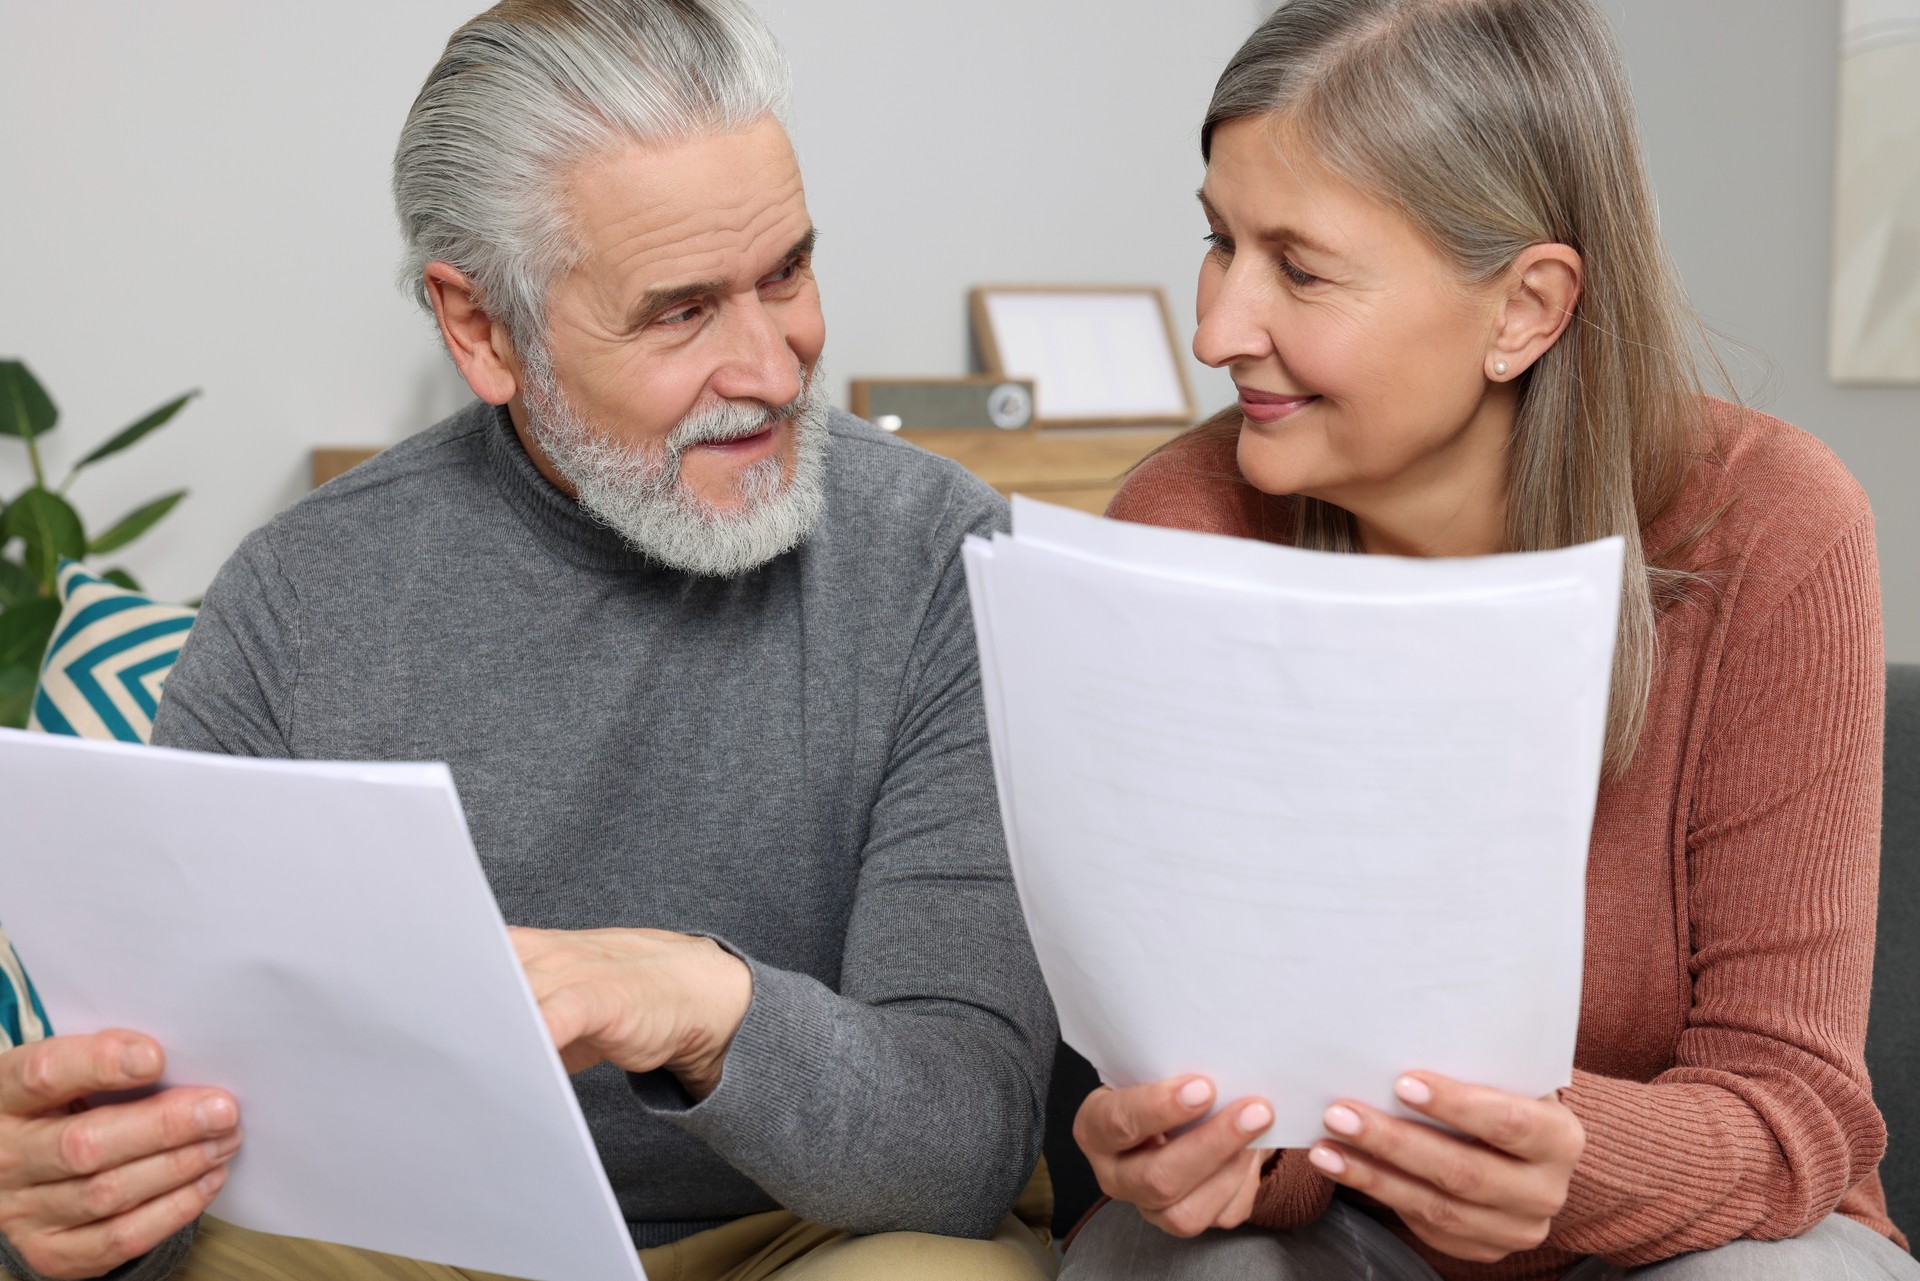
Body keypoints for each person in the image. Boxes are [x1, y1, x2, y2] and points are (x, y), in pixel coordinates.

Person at [0, 3, 1058, 1280]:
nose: (774, 369)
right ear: (481, 329)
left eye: (786, 272)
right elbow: (166, 1130)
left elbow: (964, 1149)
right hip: (406, 1248)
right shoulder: (299, 594)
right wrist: (82, 1203)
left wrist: (699, 1004)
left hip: (810, 1240)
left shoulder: (942, 558)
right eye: (680, 313)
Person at [1060, 1, 1916, 1279]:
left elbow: (1792, 1115)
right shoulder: (1188, 526)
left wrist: (1567, 1159)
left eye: (1298, 268)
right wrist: (1206, 1145)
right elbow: (1201, 1073)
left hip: (1693, 1239)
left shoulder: (1776, 529)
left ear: (1524, 308)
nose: (1216, 330)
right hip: (1344, 1237)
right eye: (1218, 241)